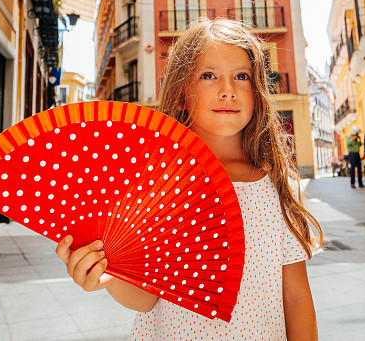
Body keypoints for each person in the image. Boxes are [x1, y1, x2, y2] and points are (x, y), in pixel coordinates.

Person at [55, 19, 323, 340]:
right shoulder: (155, 187)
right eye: (208, 76)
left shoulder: (278, 186)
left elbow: (295, 296)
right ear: (181, 93)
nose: (228, 89)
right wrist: (106, 274)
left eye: (242, 76)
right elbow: (145, 300)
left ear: (257, 92)